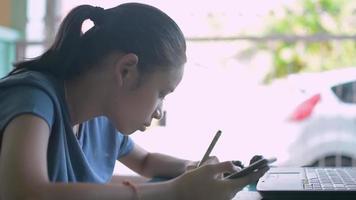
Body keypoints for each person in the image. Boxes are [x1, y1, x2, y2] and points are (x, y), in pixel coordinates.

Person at [0, 3, 268, 200]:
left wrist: (192, 169)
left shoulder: (100, 118)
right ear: (126, 70)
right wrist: (178, 191)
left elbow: (147, 161)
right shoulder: (33, 99)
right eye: (161, 93)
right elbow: (24, 193)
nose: (159, 111)